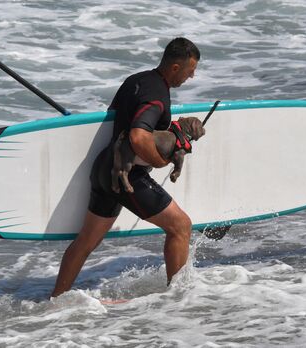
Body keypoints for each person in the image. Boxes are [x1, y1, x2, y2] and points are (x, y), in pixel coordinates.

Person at [51, 37, 200, 298]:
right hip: (126, 176)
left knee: (86, 241)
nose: (192, 76)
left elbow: (112, 120)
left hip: (104, 168)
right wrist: (160, 161)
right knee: (180, 227)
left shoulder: (137, 80)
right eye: (190, 70)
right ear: (175, 68)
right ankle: (180, 300)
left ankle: (55, 300)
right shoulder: (158, 95)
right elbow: (138, 136)